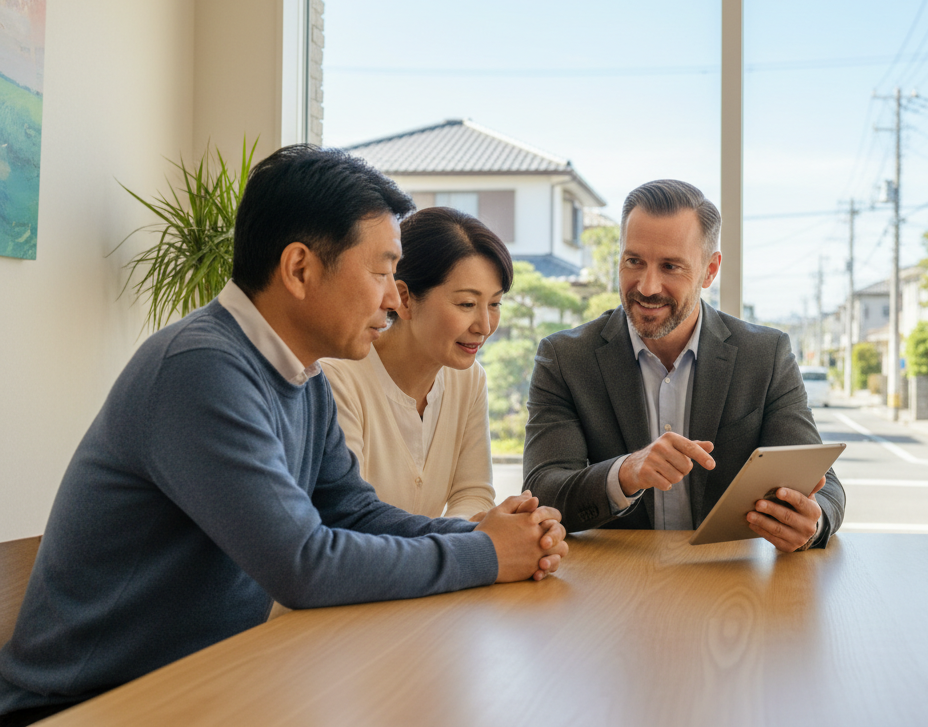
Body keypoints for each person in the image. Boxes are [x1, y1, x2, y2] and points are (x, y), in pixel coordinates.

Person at [0, 146, 567, 726]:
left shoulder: (302, 374)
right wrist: (484, 551)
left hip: (207, 686)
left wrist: (492, 535)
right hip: (88, 707)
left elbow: (353, 512)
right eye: (380, 272)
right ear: (299, 269)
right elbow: (304, 564)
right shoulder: (201, 368)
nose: (394, 297)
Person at [523, 179, 845, 550]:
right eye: (634, 261)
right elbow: (542, 490)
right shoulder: (565, 359)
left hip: (726, 580)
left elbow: (824, 484)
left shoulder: (765, 355)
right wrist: (625, 473)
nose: (647, 286)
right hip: (611, 582)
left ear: (710, 270)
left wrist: (811, 520)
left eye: (671, 266)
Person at [322, 207, 506, 521]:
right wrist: (461, 544)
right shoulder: (338, 378)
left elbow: (473, 493)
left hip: (432, 566)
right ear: (404, 298)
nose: (485, 326)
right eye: (467, 304)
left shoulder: (469, 379)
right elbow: (353, 519)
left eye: (494, 304)